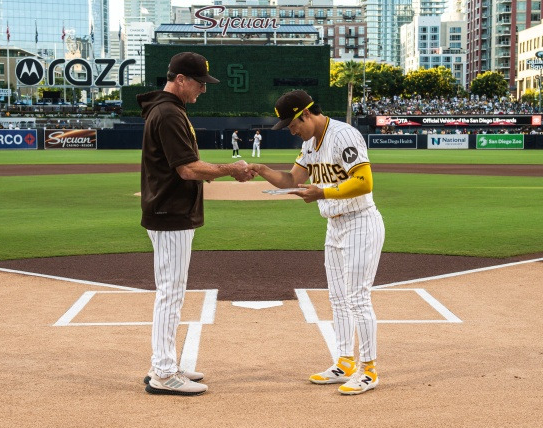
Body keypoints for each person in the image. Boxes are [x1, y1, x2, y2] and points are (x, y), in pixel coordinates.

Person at [137, 52, 256, 396]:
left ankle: (165, 363)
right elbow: (187, 169)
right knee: (170, 294)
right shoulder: (168, 113)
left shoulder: (169, 110)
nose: (203, 89)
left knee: (172, 292)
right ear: (180, 80)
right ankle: (162, 371)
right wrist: (231, 169)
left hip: (171, 211)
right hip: (169, 213)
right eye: (200, 83)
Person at [252, 90, 385, 395]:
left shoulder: (343, 135)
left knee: (357, 299)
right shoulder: (309, 144)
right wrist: (261, 170)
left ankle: (369, 370)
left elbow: (364, 181)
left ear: (306, 114)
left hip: (360, 222)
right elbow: (291, 180)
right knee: (338, 298)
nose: (291, 129)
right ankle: (344, 362)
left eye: (292, 123)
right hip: (334, 225)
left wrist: (323, 193)